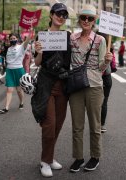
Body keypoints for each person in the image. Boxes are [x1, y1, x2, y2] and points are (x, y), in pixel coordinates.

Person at [68, 4, 112, 172]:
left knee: (95, 124)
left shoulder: (100, 40)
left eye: (90, 18)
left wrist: (107, 60)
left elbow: (101, 68)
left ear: (94, 21)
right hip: (76, 86)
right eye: (83, 18)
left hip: (94, 86)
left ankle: (95, 157)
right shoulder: (72, 38)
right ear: (79, 19)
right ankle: (78, 158)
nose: (86, 21)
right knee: (77, 125)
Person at [31, 3, 71, 177]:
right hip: (46, 84)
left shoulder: (68, 36)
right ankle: (44, 161)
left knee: (58, 124)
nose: (61, 17)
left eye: (64, 14)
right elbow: (38, 62)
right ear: (52, 15)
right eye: (58, 13)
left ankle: (50, 157)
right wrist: (38, 51)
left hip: (63, 85)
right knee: (49, 124)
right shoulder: (42, 35)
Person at [0, 32, 32, 114]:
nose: (12, 40)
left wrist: (30, 33)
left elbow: (27, 41)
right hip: (9, 70)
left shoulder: (21, 47)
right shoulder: (8, 49)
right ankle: (6, 108)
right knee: (9, 90)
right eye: (11, 39)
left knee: (19, 90)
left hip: (19, 70)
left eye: (14, 38)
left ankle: (21, 102)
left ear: (17, 39)